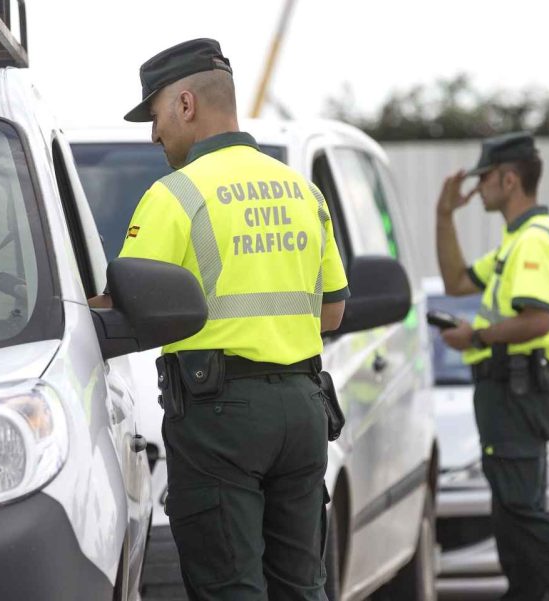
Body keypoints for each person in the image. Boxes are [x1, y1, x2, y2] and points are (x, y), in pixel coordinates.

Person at [92, 39, 348, 600]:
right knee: (301, 588)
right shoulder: (303, 192)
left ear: (185, 105)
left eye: (155, 116)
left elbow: (125, 308)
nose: (154, 134)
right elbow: (332, 310)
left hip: (219, 417)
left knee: (230, 588)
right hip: (304, 411)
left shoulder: (175, 195)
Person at [436, 132, 549, 601]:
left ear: (509, 179)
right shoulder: (517, 242)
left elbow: (535, 320)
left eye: (484, 178)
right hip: (510, 392)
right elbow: (455, 281)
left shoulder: (534, 240)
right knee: (512, 515)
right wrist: (444, 214)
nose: (478, 189)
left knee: (518, 509)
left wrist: (474, 335)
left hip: (517, 390)